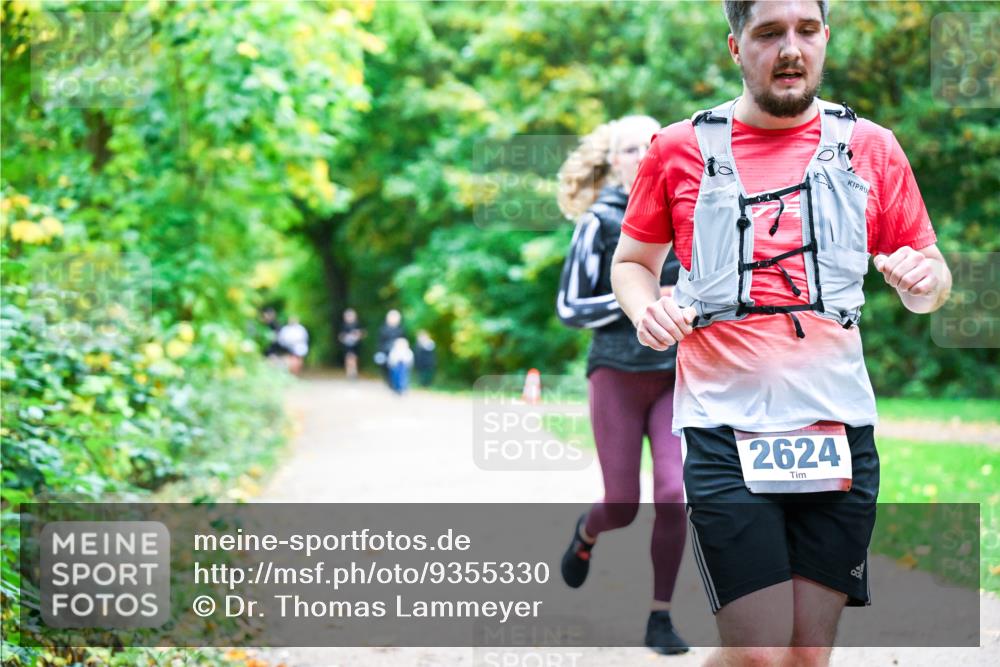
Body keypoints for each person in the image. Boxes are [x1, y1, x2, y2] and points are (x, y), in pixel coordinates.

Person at [610, 2, 952, 664]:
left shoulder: (870, 147)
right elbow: (633, 263)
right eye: (768, 33)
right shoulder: (679, 148)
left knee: (802, 658)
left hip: (836, 429)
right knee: (761, 650)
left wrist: (921, 279)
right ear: (736, 47)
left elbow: (931, 273)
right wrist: (644, 307)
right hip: (723, 427)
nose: (790, 48)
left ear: (825, 39)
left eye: (806, 30)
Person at [555, 114, 690, 655]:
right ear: (613, 162)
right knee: (623, 504)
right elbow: (569, 307)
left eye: (650, 145)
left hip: (674, 375)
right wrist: (639, 297)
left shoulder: (687, 213)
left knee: (674, 495)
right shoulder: (599, 222)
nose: (642, 155)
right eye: (630, 149)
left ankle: (661, 615)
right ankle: (587, 533)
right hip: (616, 374)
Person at [376, 309, 405, 385]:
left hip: (397, 352)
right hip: (385, 351)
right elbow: (380, 342)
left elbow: (403, 340)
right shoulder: (383, 329)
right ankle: (389, 382)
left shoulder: (401, 329)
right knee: (385, 368)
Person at [338, 308, 365, 380]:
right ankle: (349, 373)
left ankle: (354, 372)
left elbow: (362, 333)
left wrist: (357, 335)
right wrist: (345, 338)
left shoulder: (358, 324)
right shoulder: (343, 325)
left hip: (356, 345)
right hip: (347, 345)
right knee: (348, 358)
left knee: (354, 358)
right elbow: (340, 336)